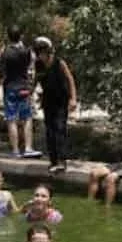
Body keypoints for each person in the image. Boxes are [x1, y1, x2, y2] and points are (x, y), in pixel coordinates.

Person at [32, 36, 78, 174]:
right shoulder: (38, 65)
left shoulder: (59, 63)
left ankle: (62, 161)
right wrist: (30, 91)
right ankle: (53, 161)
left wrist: (73, 99)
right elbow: (36, 80)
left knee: (60, 129)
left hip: (61, 101)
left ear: (47, 52)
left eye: (42, 53)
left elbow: (70, 80)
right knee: (50, 131)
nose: (40, 56)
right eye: (38, 53)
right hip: (48, 101)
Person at [0, 26, 41, 158]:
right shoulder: (26, 52)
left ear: (8, 37)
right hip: (24, 88)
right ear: (20, 36)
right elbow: (31, 65)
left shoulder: (5, 53)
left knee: (11, 119)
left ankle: (15, 151)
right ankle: (28, 148)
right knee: (27, 118)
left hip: (10, 87)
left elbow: (0, 72)